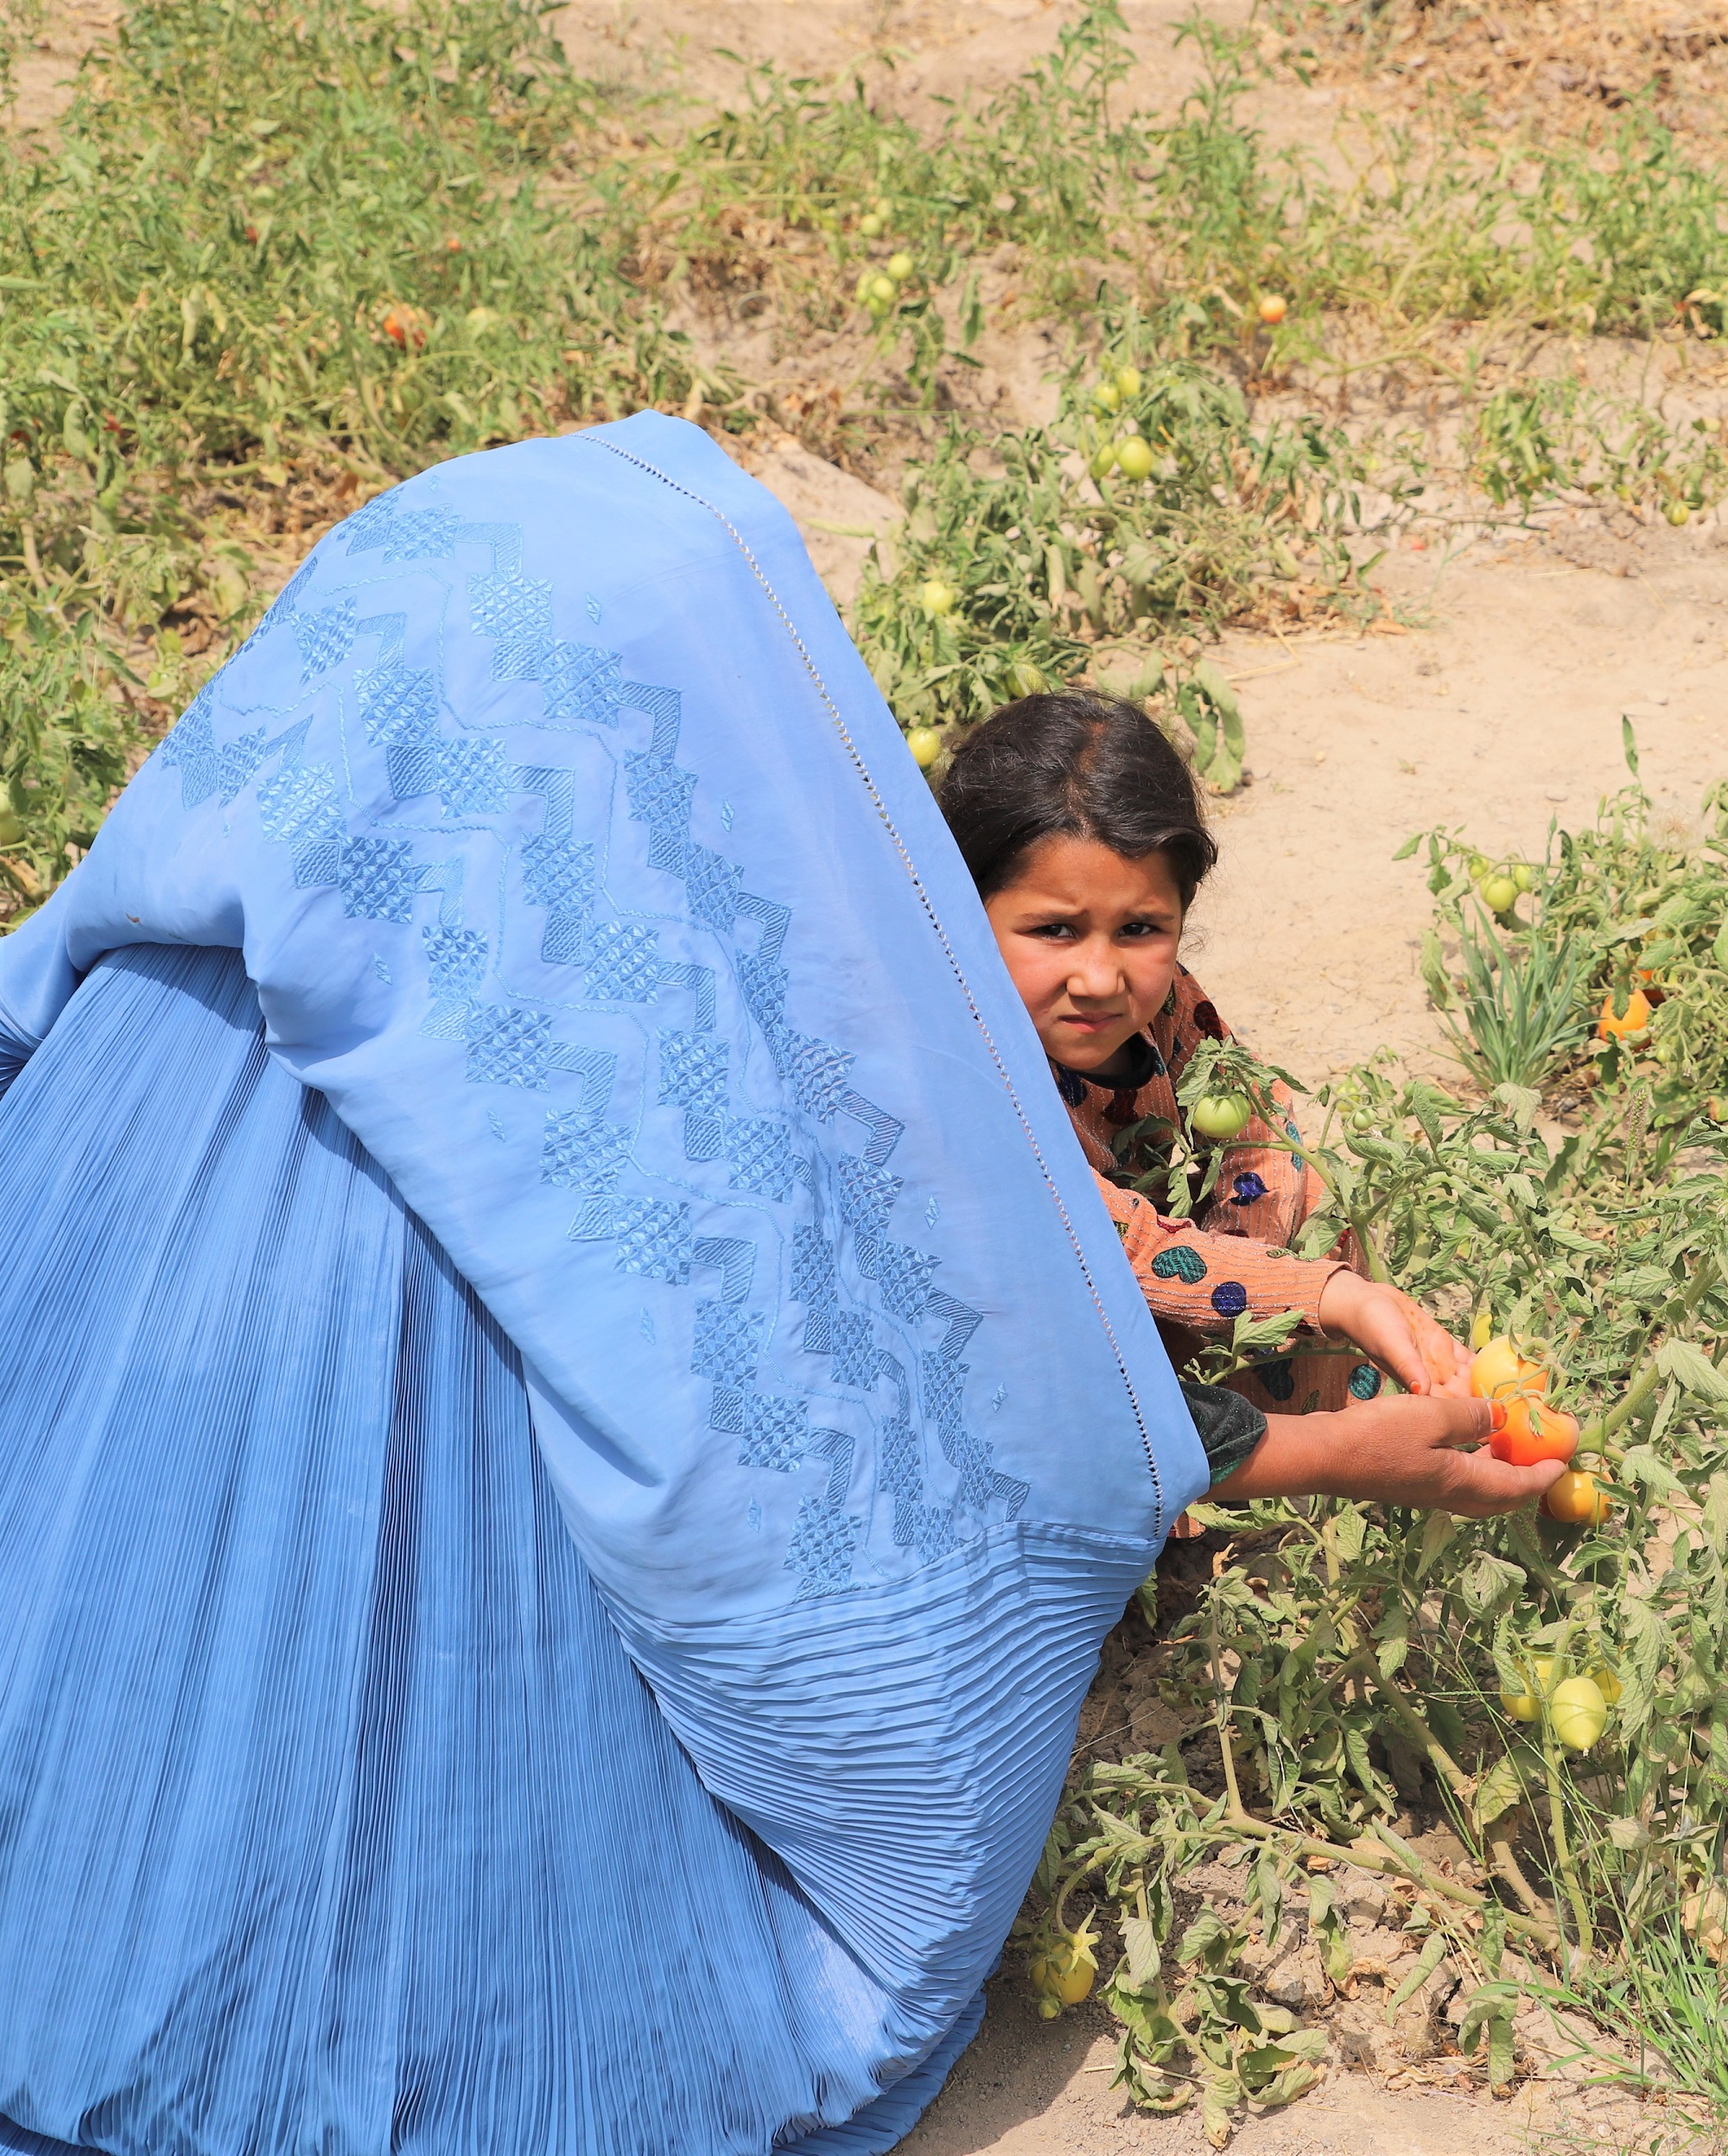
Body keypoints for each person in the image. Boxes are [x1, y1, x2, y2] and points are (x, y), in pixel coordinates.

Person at [0, 411, 1551, 2156]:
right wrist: (1345, 1435)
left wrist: (1312, 1292)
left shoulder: (150, 1001)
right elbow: (865, 1410)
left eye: (1141, 932)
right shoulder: (633, 1018)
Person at [930, 694, 1469, 1494]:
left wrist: (1255, 1271)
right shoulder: (956, 1071)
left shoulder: (1169, 1003)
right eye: (1055, 930)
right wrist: (1328, 1297)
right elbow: (1111, 1246)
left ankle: (1321, 1455)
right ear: (962, 913)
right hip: (1020, 1345)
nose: (1100, 979)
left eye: (1140, 929)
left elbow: (1253, 1116)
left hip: (1160, 1297)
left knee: (1302, 1186)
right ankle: (1210, 1494)